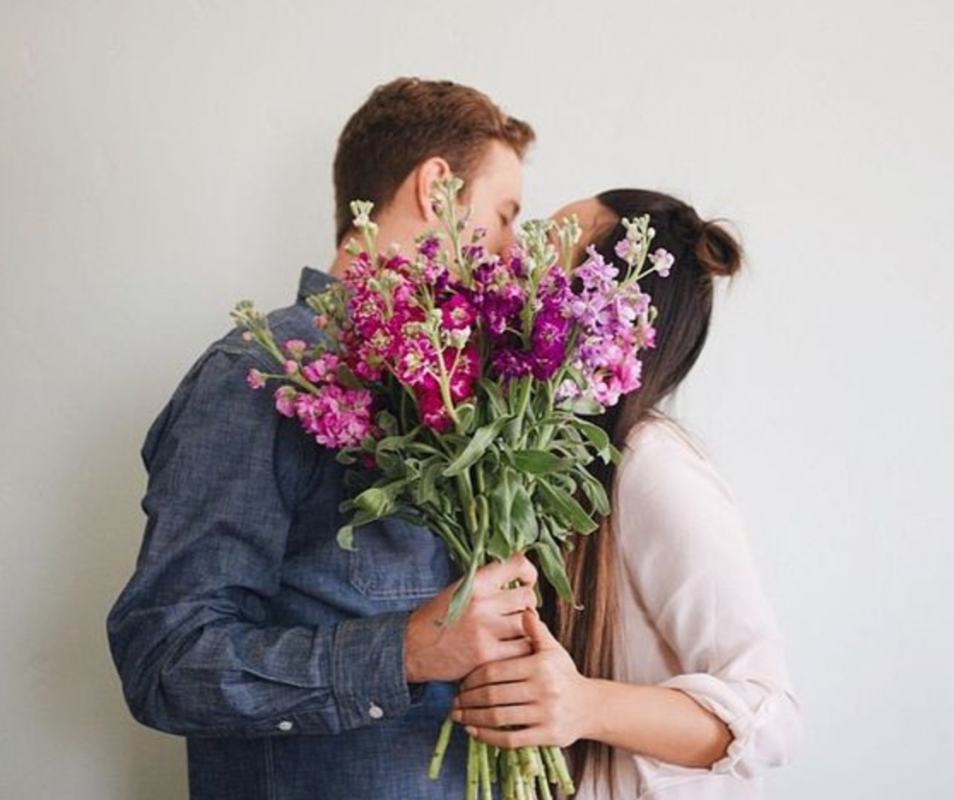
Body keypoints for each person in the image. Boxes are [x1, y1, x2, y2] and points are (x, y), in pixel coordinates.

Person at [106, 77, 539, 800]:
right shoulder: (255, 375)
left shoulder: (471, 397)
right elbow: (166, 660)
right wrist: (401, 653)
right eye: (503, 217)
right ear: (436, 187)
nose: (512, 252)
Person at [451, 189, 802, 798]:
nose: (512, 261)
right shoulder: (516, 459)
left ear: (602, 307)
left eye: (546, 248)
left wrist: (586, 705)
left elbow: (771, 718)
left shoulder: (651, 466)